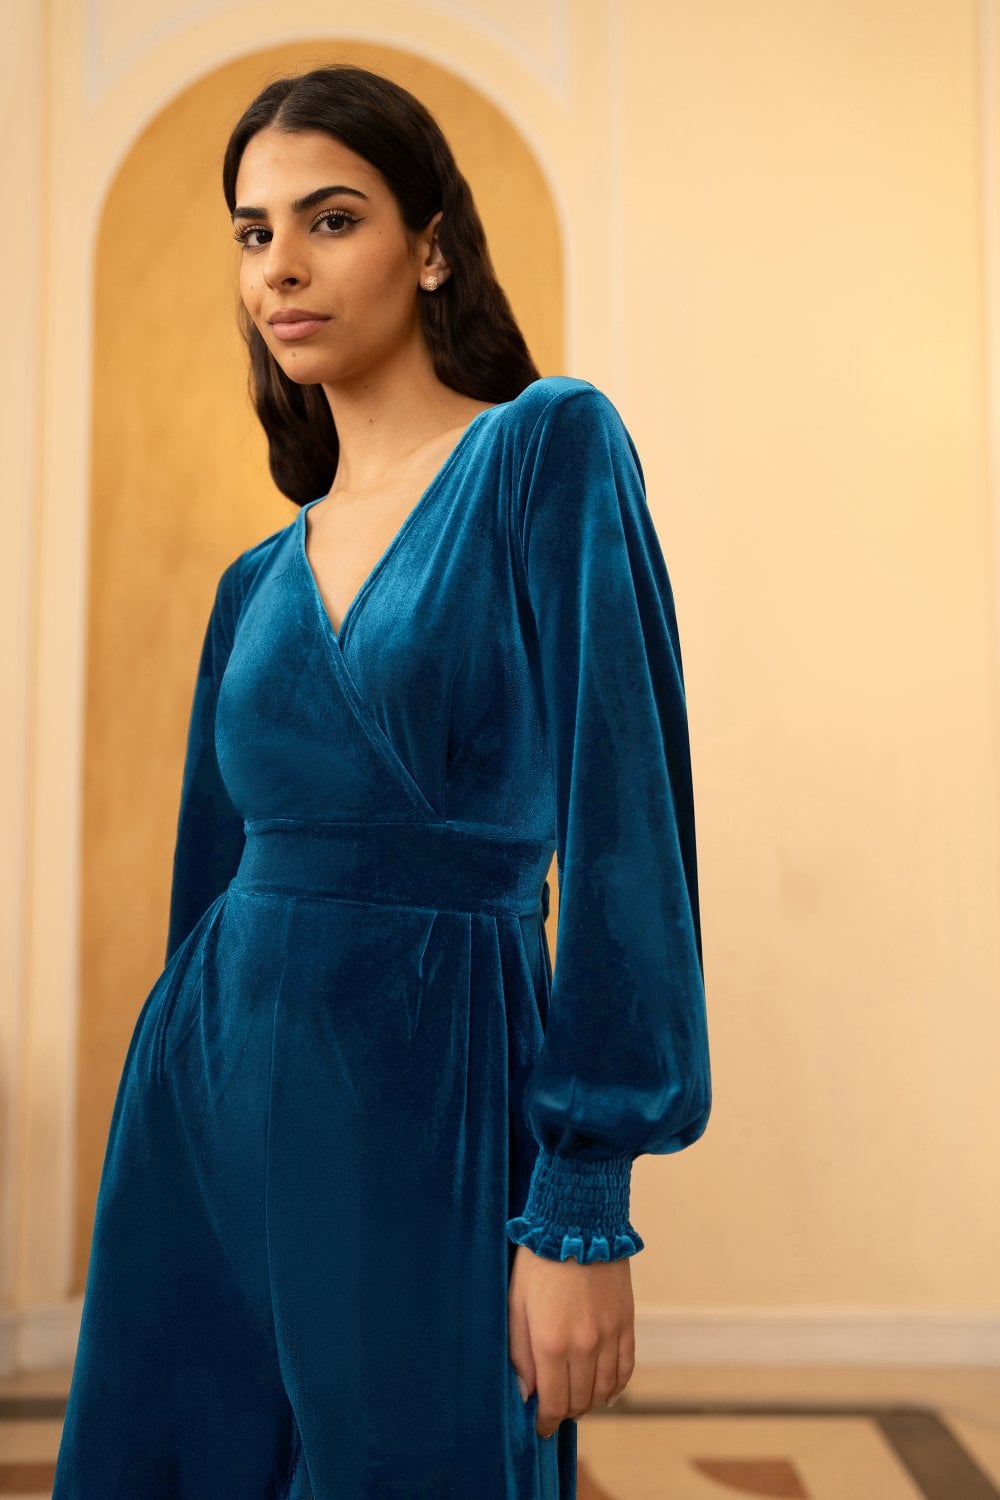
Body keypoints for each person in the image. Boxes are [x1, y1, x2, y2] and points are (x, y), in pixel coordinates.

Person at [52, 62, 711, 1500]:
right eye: (251, 231)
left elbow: (623, 831)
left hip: (434, 1097)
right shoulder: (257, 582)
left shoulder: (549, 452)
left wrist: (583, 1203)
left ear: (430, 243)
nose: (279, 264)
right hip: (199, 1116)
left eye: (329, 218)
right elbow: (205, 892)